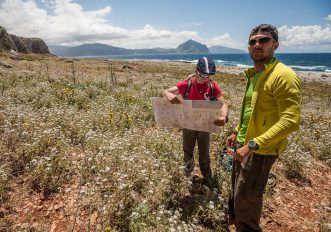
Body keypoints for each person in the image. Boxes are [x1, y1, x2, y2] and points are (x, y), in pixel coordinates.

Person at [227, 24, 301, 231]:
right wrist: (236, 131)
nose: (257, 44)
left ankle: (247, 227)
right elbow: (251, 110)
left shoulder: (283, 75)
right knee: (238, 189)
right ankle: (237, 221)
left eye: (263, 40)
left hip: (261, 149)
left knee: (248, 195)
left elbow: (290, 121)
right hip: (244, 142)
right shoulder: (255, 74)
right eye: (252, 41)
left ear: (275, 45)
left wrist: (252, 145)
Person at [163, 57, 229, 186]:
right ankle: (187, 174)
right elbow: (166, 91)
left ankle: (207, 175)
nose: (205, 78)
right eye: (202, 74)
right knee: (187, 151)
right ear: (196, 70)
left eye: (208, 75)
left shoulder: (212, 86)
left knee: (204, 153)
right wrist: (168, 94)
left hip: (205, 126)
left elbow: (223, 104)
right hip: (188, 125)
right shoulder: (186, 84)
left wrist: (224, 117)